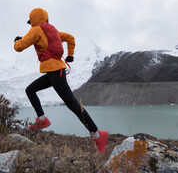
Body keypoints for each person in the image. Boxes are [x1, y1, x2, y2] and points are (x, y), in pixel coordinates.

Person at [14, 8, 109, 153]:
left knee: (73, 105)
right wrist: (70, 55)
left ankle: (98, 134)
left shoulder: (35, 30)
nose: (30, 25)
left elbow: (19, 47)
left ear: (33, 20)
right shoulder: (54, 31)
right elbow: (70, 38)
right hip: (56, 71)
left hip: (55, 72)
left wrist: (16, 41)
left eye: (31, 22)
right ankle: (42, 119)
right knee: (30, 90)